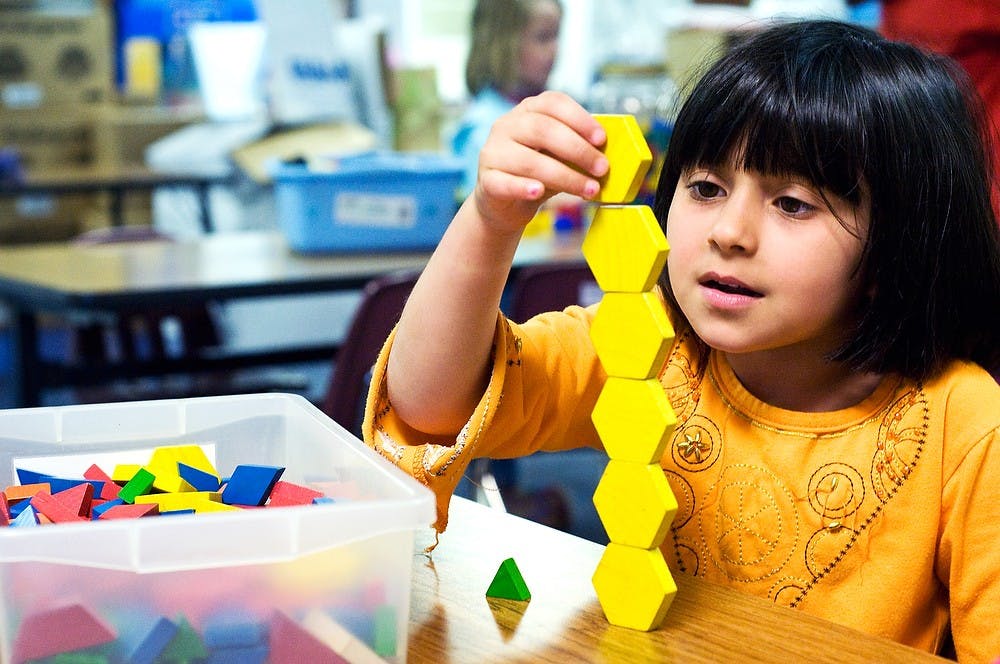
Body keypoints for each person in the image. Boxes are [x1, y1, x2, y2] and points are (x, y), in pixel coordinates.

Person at [363, 19, 1000, 661]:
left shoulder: (968, 425)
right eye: (706, 188)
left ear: (901, 242)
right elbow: (428, 404)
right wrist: (490, 218)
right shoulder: (645, 344)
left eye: (794, 203)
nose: (730, 231)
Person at [451, 0, 563, 198]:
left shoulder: (556, 109)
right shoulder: (479, 130)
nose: (555, 49)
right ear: (504, 44)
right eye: (543, 37)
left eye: (556, 36)